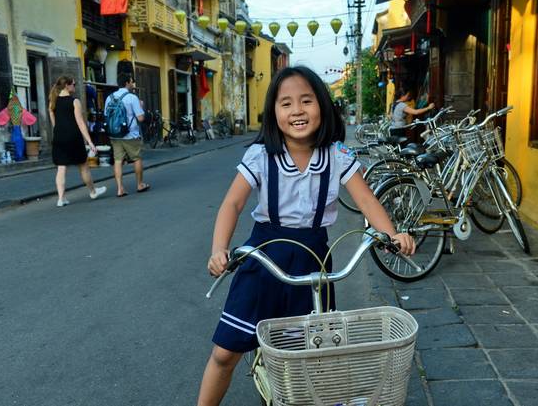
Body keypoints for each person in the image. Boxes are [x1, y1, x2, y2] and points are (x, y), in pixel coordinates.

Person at [197, 66, 416, 405]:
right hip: (263, 256)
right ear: (273, 113)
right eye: (286, 103)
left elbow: (366, 199)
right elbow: (233, 202)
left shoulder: (338, 155)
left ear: (323, 107)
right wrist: (219, 250)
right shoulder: (261, 156)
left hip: (314, 261)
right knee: (226, 352)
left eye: (306, 101)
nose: (297, 110)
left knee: (314, 357)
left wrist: (391, 235)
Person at [48, 76, 106, 207]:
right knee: (83, 166)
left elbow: (52, 116)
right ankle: (93, 191)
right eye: (73, 84)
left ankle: (61, 198)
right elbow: (80, 123)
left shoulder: (53, 101)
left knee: (61, 168)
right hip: (73, 137)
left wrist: (57, 128)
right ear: (67, 86)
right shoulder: (75, 101)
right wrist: (90, 141)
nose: (75, 86)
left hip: (59, 137)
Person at [105, 73, 150, 197]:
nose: (132, 83)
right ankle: (140, 184)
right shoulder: (132, 97)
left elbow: (106, 116)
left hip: (115, 134)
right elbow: (140, 118)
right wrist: (142, 107)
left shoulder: (109, 97)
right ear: (126, 83)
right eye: (131, 81)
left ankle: (120, 188)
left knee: (118, 160)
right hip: (130, 134)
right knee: (136, 158)